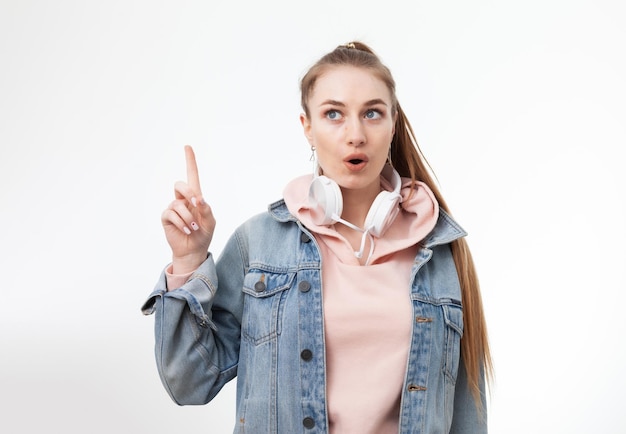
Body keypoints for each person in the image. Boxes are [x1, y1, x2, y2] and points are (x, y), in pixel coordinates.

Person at [142, 41, 493, 433]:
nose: (355, 134)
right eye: (333, 114)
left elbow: (467, 416)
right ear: (307, 128)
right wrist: (189, 261)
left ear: (393, 124)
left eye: (372, 113)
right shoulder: (258, 244)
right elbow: (189, 382)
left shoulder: (442, 250)